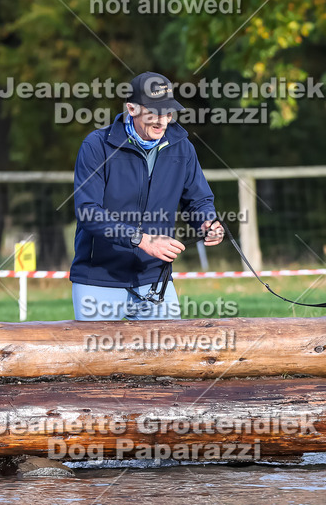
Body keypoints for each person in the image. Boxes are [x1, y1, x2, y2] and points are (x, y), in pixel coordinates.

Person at [70, 71, 224, 321]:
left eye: (168, 113)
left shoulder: (182, 147)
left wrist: (207, 222)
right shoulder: (96, 146)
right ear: (131, 108)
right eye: (154, 112)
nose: (162, 121)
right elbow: (89, 213)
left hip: (155, 279)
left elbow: (199, 200)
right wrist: (141, 240)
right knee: (97, 359)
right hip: (99, 278)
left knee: (168, 358)